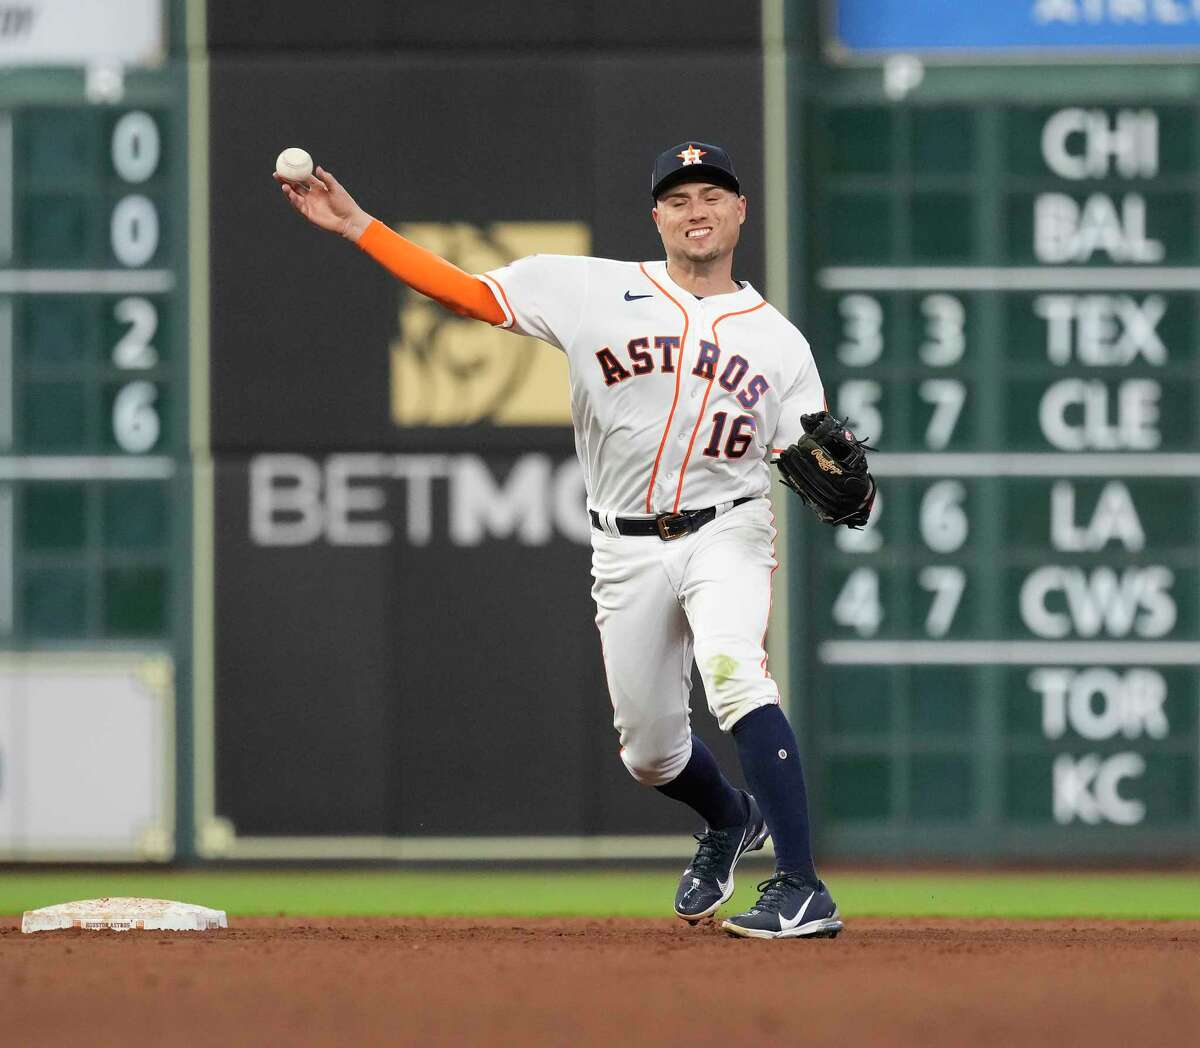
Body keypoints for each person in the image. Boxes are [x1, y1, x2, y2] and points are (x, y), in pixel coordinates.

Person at [275, 141, 842, 939]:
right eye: (678, 200)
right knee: (649, 754)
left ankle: (801, 885)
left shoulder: (781, 344)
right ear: (657, 217)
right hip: (625, 544)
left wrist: (839, 479)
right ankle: (728, 817)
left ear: (741, 210)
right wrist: (358, 225)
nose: (697, 211)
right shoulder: (589, 287)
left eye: (712, 195)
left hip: (729, 531)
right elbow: (467, 294)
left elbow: (811, 458)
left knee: (734, 672)